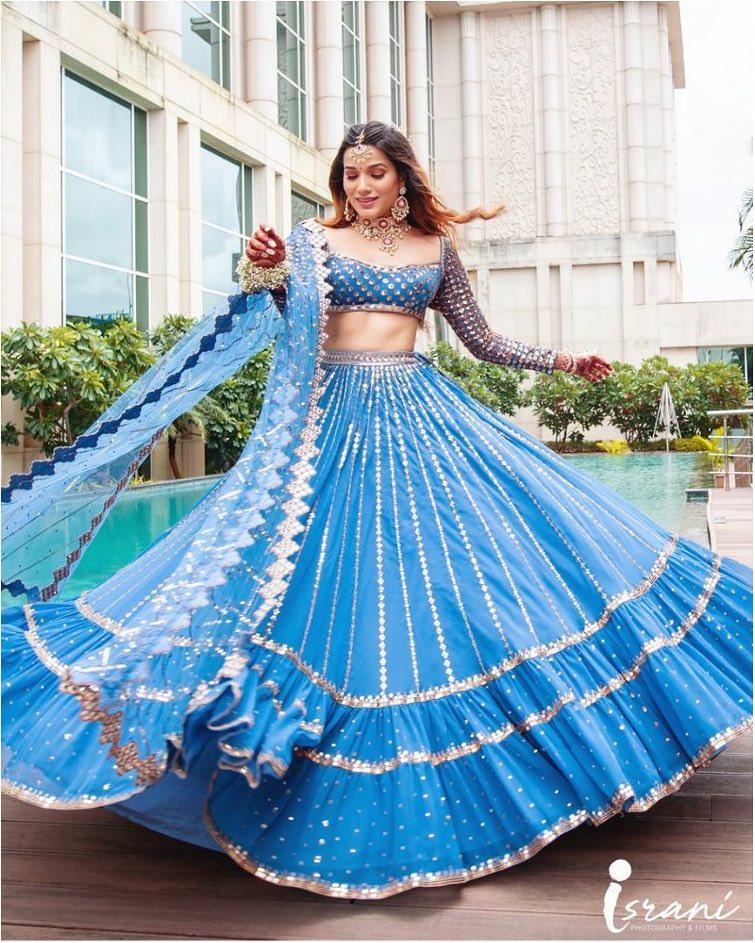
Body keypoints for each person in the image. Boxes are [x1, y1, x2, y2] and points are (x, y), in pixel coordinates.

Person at [2, 122, 752, 901]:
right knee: (325, 576)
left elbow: (483, 342)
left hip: (422, 415)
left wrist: (562, 360)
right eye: (349, 175)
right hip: (330, 429)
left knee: (443, 575)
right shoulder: (312, 242)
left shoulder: (435, 251)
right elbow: (275, 304)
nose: (359, 187)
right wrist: (261, 268)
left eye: (373, 174)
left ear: (402, 178)